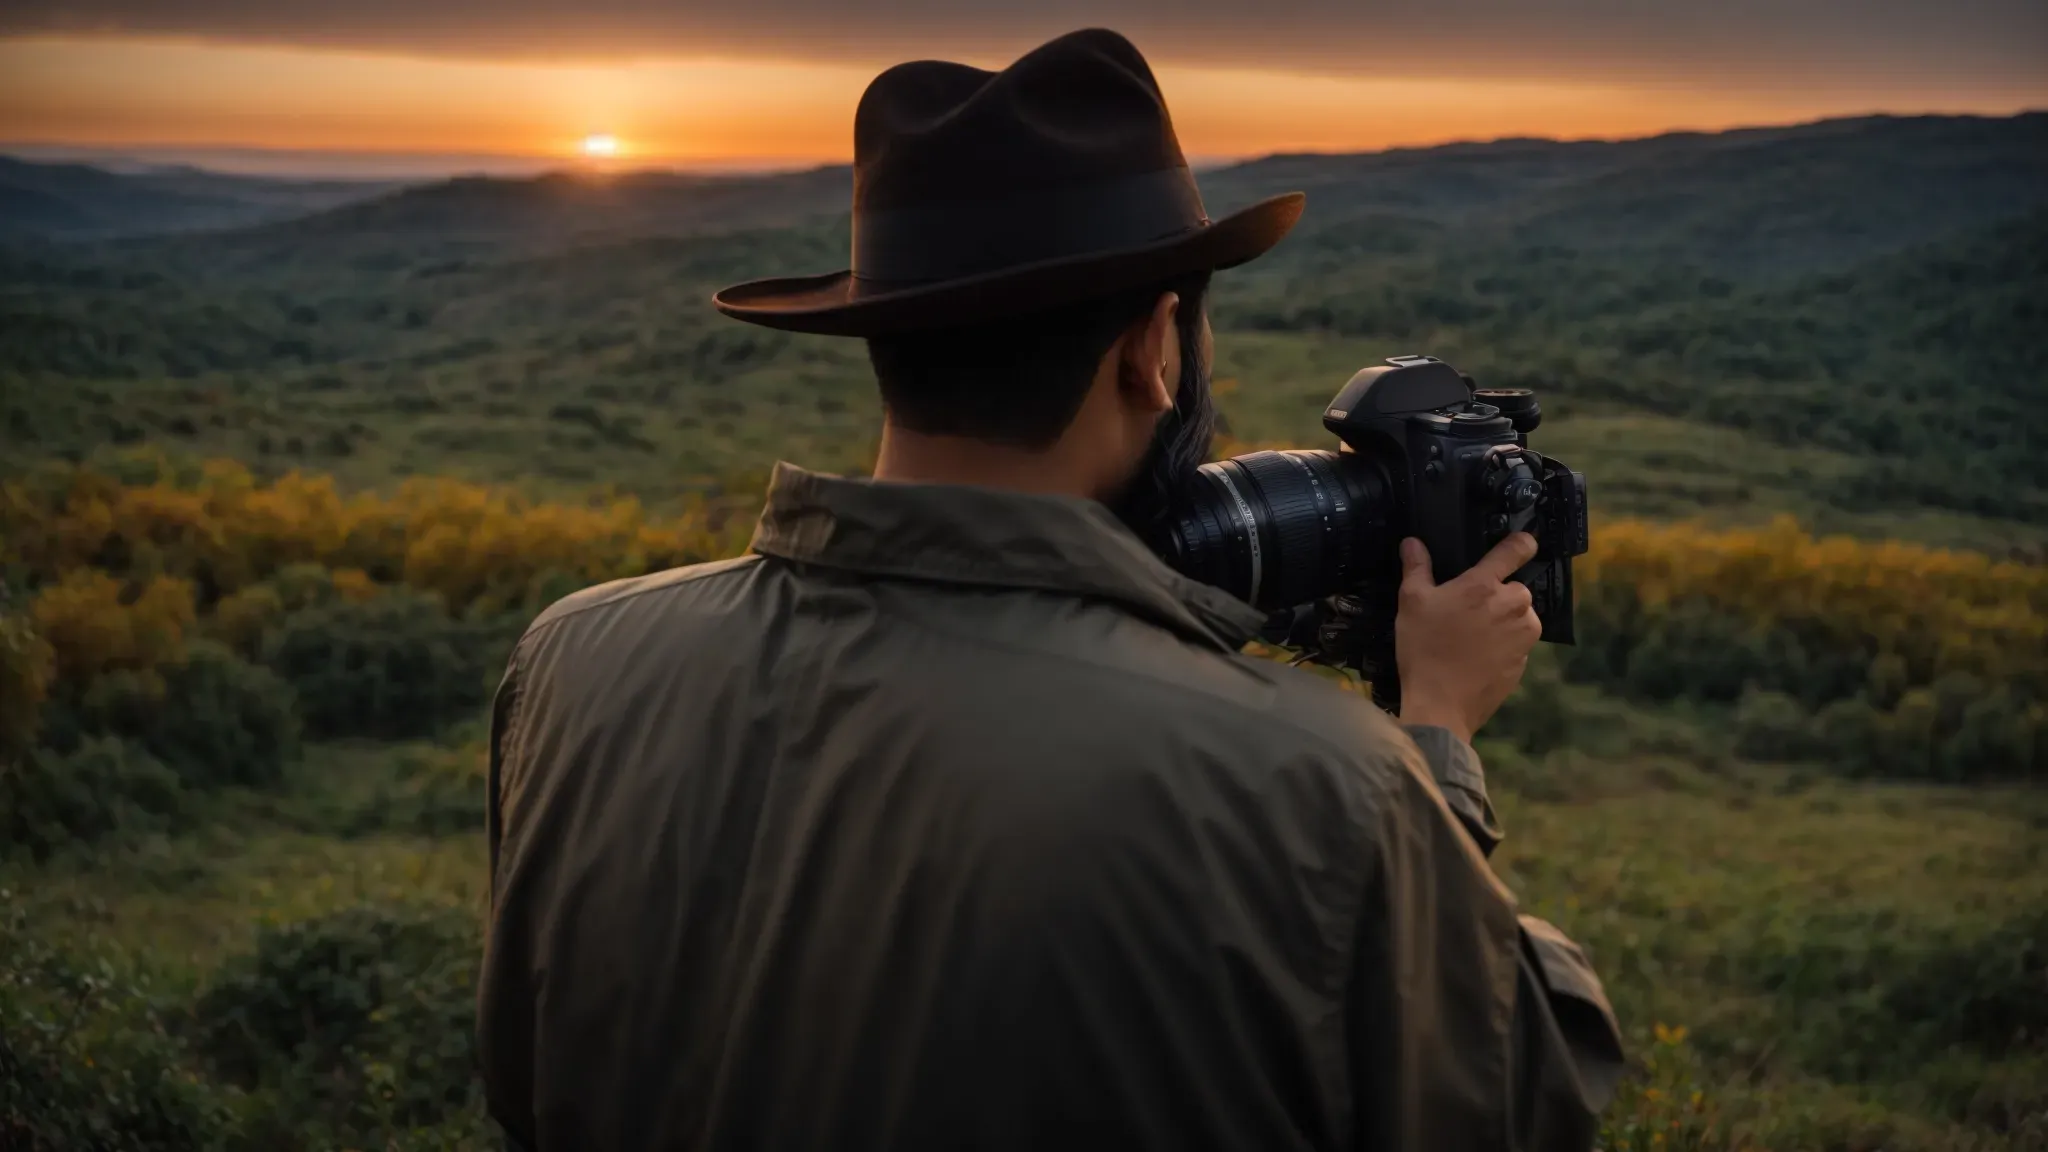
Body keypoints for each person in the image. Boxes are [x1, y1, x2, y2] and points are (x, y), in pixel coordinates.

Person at [478, 27, 1623, 1152]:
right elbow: (1519, 1095)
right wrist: (1432, 742)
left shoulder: (573, 661)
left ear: (883, 343)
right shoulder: (1313, 783)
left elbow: (524, 1078)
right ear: (1152, 352)